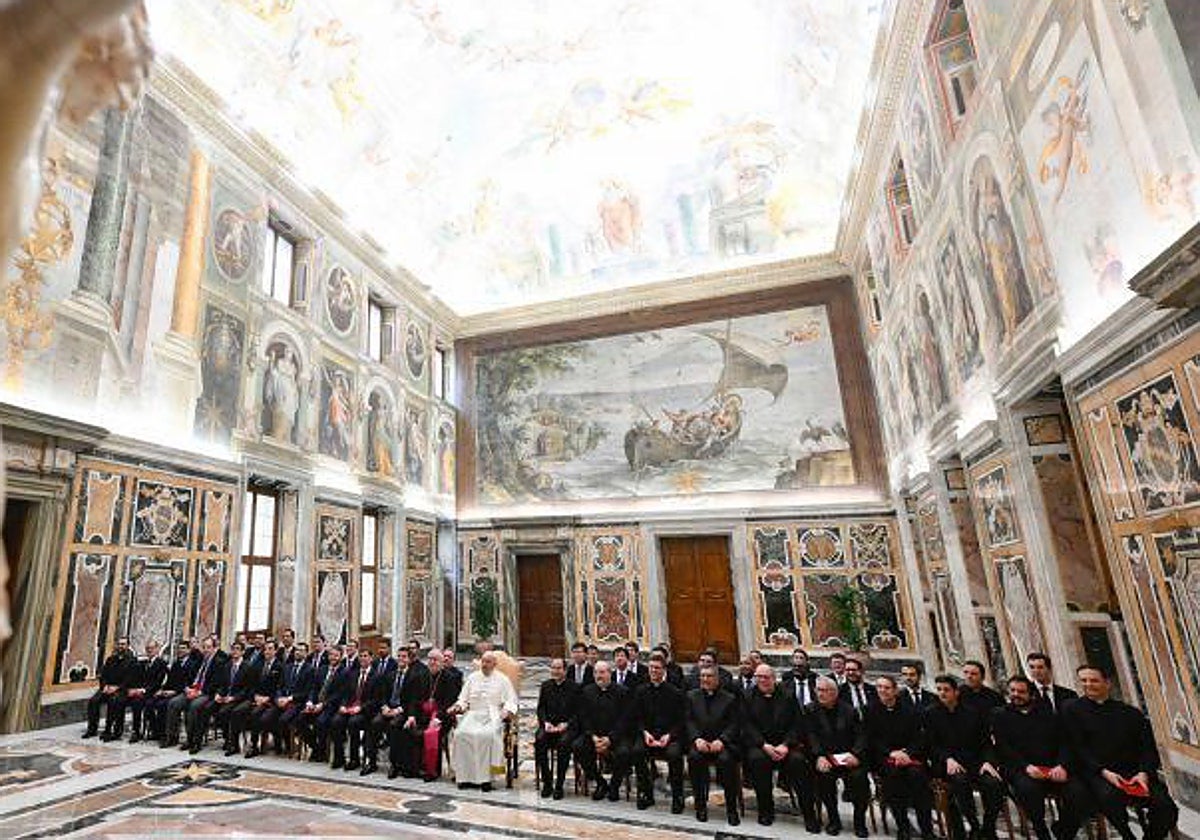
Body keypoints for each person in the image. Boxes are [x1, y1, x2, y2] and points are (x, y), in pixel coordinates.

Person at [1063, 664, 1179, 840]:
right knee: (1109, 798)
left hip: (1135, 773)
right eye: (1083, 680)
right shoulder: (1072, 710)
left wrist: (1143, 773)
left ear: (1108, 683)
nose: (1088, 684)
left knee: (1166, 807)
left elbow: (1148, 748)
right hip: (1099, 773)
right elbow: (1078, 748)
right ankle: (1127, 836)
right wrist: (1104, 772)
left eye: (1094, 680)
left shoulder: (1130, 713)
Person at [991, 676, 1089, 840]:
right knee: (1028, 790)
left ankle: (1064, 830)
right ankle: (1040, 828)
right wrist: (1026, 767)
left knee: (1080, 793)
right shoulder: (1000, 715)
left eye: (1021, 692)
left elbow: (1064, 742)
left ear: (1032, 694)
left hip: (1052, 767)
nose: (1016, 694)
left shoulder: (1047, 713)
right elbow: (1003, 748)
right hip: (1021, 769)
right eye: (1013, 691)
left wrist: (1062, 766)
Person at [924, 674, 1005, 840]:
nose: (942, 693)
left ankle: (988, 827)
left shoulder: (972, 713)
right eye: (939, 690)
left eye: (946, 690)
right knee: (960, 781)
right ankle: (973, 824)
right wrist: (947, 758)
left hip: (974, 761)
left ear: (956, 692)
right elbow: (931, 745)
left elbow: (985, 742)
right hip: (947, 763)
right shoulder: (931, 713)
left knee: (994, 784)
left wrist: (988, 762)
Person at [866, 675, 935, 840]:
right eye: (879, 687)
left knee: (918, 776)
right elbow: (871, 739)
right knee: (893, 777)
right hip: (884, 757)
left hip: (909, 756)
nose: (882, 690)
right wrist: (891, 753)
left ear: (895, 690)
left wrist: (907, 753)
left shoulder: (909, 711)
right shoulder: (869, 710)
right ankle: (903, 827)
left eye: (886, 687)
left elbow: (919, 737)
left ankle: (926, 829)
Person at [743, 664, 809, 828]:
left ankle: (808, 813)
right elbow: (746, 725)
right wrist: (763, 745)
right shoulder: (747, 696)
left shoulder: (787, 695)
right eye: (758, 677)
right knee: (757, 761)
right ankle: (766, 811)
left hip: (786, 745)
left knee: (798, 762)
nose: (762, 680)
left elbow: (797, 724)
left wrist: (786, 745)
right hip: (760, 746)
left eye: (765, 677)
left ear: (774, 678)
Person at [448, 650, 518, 791]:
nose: (484, 665)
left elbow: (511, 700)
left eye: (488, 662)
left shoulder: (503, 679)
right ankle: (465, 778)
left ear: (494, 664)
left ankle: (486, 779)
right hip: (473, 714)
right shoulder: (473, 677)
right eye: (483, 661)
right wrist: (457, 706)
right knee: (460, 734)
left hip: (493, 715)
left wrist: (507, 711)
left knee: (487, 736)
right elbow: (463, 699)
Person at [809, 675, 870, 837]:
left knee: (859, 778)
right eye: (818, 690)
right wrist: (819, 756)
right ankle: (834, 820)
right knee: (824, 778)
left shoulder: (849, 710)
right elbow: (811, 736)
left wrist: (855, 754)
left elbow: (861, 736)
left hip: (849, 757)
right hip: (826, 757)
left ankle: (859, 822)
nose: (820, 694)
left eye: (825, 691)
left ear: (835, 693)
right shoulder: (811, 710)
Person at [686, 664, 741, 826]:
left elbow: (734, 724)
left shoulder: (729, 698)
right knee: (694, 758)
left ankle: (731, 809)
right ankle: (700, 806)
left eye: (709, 676)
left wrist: (722, 740)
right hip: (700, 743)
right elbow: (688, 721)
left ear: (717, 679)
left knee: (726, 762)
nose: (705, 679)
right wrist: (696, 739)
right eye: (702, 676)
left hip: (722, 744)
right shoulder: (691, 696)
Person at [631, 654, 686, 813]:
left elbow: (681, 720)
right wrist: (645, 733)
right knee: (637, 751)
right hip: (648, 735)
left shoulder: (675, 692)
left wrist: (669, 735)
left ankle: (677, 796)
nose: (654, 671)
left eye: (657, 668)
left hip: (670, 736)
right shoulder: (641, 691)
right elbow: (637, 717)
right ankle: (646, 793)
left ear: (664, 670)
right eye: (651, 668)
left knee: (675, 754)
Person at [574, 660, 631, 801]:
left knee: (624, 752)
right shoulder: (587, 691)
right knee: (578, 746)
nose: (598, 676)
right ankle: (601, 783)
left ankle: (614, 786)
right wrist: (593, 736)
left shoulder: (622, 692)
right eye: (596, 672)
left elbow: (624, 720)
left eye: (602, 672)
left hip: (615, 736)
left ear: (609, 673)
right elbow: (584, 717)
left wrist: (610, 739)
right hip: (593, 735)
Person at [369, 648, 429, 778]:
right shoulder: (390, 675)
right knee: (375, 723)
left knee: (394, 726)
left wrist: (398, 710)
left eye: (404, 657)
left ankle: (394, 765)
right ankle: (371, 761)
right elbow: (383, 695)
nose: (401, 659)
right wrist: (384, 707)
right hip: (389, 708)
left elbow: (414, 700)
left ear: (409, 659)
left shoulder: (414, 676)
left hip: (404, 710)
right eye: (399, 656)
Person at [166, 636, 228, 753]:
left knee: (194, 706)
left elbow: (217, 683)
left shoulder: (219, 663)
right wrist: (187, 688)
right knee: (173, 703)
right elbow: (188, 677)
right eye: (204, 647)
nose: (205, 650)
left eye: (208, 647)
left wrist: (199, 692)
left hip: (206, 693)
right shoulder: (198, 660)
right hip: (192, 690)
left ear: (214, 649)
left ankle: (193, 741)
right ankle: (172, 737)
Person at [330, 649, 383, 771]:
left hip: (366, 711)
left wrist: (360, 708)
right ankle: (339, 757)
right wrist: (343, 705)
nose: (363, 659)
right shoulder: (352, 674)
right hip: (350, 707)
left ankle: (355, 759)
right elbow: (345, 694)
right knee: (336, 721)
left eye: (365, 656)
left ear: (371, 659)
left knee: (353, 723)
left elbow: (376, 699)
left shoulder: (377, 676)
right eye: (361, 656)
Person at [535, 657, 579, 799]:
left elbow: (578, 712)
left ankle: (559, 784)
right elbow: (541, 708)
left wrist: (566, 724)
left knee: (564, 744)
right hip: (549, 726)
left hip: (567, 727)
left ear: (565, 670)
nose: (555, 671)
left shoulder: (574, 687)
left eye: (559, 668)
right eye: (553, 668)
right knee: (539, 740)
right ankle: (547, 782)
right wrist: (545, 722)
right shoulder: (546, 685)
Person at [296, 645, 346, 763]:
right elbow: (314, 688)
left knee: (320, 722)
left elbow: (339, 694)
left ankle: (322, 751)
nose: (333, 657)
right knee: (300, 719)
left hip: (331, 706)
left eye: (336, 655)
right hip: (316, 704)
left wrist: (322, 705)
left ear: (340, 657)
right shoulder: (322, 669)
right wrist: (310, 701)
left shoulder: (344, 672)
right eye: (331, 655)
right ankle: (315, 747)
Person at [210, 640, 260, 756]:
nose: (235, 651)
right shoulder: (227, 666)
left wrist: (233, 698)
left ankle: (234, 744)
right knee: (218, 710)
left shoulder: (248, 666)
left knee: (234, 712)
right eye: (233, 649)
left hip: (244, 698)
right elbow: (223, 685)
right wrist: (218, 694)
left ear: (243, 652)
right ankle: (228, 739)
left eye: (238, 649)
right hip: (228, 697)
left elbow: (248, 689)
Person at [420, 647, 461, 781]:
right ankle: (416, 766)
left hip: (443, 715)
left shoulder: (449, 678)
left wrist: (438, 717)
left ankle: (433, 771)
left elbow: (450, 701)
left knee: (433, 733)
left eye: (435, 660)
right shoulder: (423, 675)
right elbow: (417, 697)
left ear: (442, 662)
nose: (432, 662)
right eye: (430, 659)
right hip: (424, 713)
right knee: (410, 729)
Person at [84, 636, 134, 740]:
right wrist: (105, 686)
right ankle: (92, 729)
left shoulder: (132, 661)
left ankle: (110, 730)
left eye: (123, 644)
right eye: (119, 644)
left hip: (121, 689)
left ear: (128, 646)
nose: (121, 646)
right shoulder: (111, 659)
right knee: (93, 701)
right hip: (107, 688)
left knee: (114, 701)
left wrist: (117, 688)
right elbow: (103, 675)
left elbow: (130, 679)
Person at [241, 639, 284, 757]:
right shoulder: (258, 665)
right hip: (258, 698)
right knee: (248, 712)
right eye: (265, 649)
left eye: (270, 649)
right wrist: (256, 696)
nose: (267, 651)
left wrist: (268, 698)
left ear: (275, 651)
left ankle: (264, 743)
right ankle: (251, 745)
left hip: (272, 701)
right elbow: (251, 684)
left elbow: (280, 687)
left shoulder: (280, 666)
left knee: (262, 717)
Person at [267, 641, 310, 754]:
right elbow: (279, 686)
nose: (298, 652)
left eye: (301, 650)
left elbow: (306, 692)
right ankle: (277, 745)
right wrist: (278, 698)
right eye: (297, 650)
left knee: (283, 720)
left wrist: (290, 698)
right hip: (282, 701)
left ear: (306, 653)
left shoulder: (310, 669)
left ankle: (289, 745)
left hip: (297, 702)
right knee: (266, 718)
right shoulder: (287, 667)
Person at [147, 641, 195, 743]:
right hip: (170, 691)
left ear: (188, 650)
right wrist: (162, 690)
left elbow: (190, 683)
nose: (180, 650)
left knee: (164, 705)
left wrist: (174, 692)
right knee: (150, 702)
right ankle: (157, 731)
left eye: (183, 648)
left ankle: (170, 736)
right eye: (179, 648)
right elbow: (170, 680)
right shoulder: (176, 663)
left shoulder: (193, 664)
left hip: (182, 693)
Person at [125, 640, 167, 742]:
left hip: (154, 692)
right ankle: (136, 731)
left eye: (152, 648)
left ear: (157, 649)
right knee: (135, 702)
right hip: (142, 692)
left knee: (147, 704)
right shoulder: (143, 663)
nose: (149, 651)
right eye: (148, 649)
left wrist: (142, 690)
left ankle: (155, 730)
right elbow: (139, 679)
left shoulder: (161, 663)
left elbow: (158, 682)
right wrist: (135, 689)